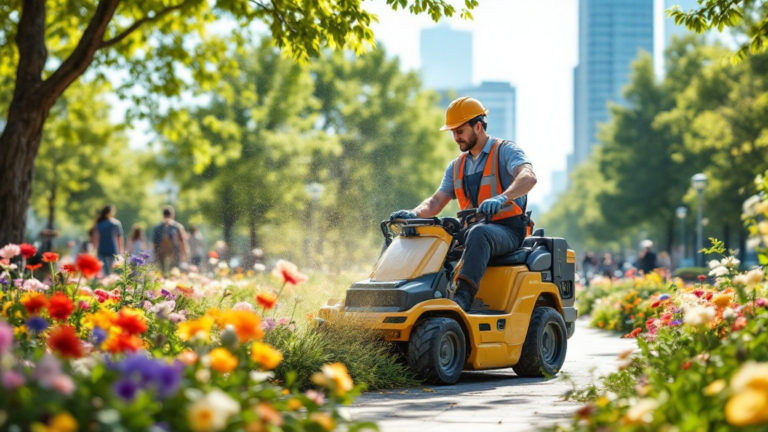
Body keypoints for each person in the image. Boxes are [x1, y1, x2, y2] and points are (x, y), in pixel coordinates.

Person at [389, 97, 537, 311]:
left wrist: (502, 198)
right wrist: (414, 214)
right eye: (453, 132)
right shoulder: (456, 166)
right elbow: (436, 201)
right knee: (425, 234)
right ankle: (401, 293)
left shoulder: (505, 151)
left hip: (508, 230)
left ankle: (463, 298)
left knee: (479, 233)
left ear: (478, 126)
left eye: (459, 131)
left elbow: (528, 177)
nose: (456, 138)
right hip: (472, 231)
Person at [152, 205, 188, 274]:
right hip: (175, 253)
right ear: (172, 215)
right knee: (174, 272)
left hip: (160, 254)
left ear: (163, 215)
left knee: (162, 273)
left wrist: (155, 255)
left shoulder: (157, 227)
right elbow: (182, 241)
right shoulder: (177, 226)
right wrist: (184, 254)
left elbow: (154, 243)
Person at [91, 205, 124, 275]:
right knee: (112, 269)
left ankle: (106, 282)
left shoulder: (99, 224)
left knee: (104, 270)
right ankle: (110, 282)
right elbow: (119, 239)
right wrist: (120, 251)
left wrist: (94, 249)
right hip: (112, 248)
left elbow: (95, 238)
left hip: (101, 249)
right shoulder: (116, 223)